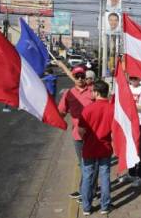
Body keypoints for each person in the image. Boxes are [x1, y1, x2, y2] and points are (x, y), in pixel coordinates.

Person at [78, 80, 114, 216]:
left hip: (89, 147)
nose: (91, 92)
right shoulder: (112, 108)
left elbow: (81, 131)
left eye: (93, 91)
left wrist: (86, 139)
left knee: (87, 176)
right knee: (105, 176)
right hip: (105, 147)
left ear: (97, 92)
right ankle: (105, 206)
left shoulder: (88, 109)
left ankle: (86, 208)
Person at [58, 66, 94, 200]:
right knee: (84, 164)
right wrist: (53, 116)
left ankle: (86, 191)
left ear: (85, 77)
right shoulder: (69, 94)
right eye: (77, 76)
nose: (80, 79)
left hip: (93, 134)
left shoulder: (92, 91)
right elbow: (61, 111)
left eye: (82, 76)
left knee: (91, 164)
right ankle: (88, 190)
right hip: (77, 134)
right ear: (74, 77)